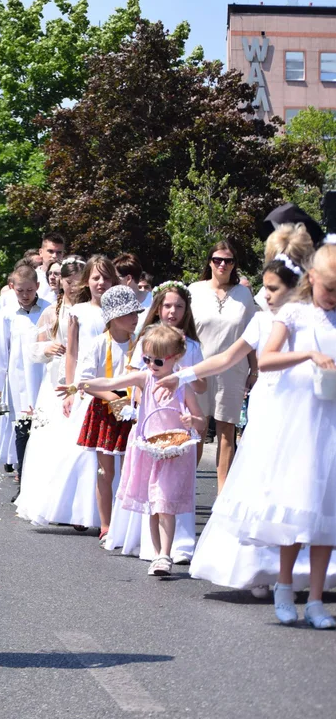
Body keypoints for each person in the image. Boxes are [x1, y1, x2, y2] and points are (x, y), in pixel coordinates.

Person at [224, 243, 336, 628]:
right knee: (298, 505)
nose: (334, 298)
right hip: (302, 423)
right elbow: (267, 360)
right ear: (313, 280)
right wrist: (307, 355)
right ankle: (284, 587)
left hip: (332, 420)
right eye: (330, 290)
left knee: (328, 514)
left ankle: (318, 601)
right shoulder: (294, 314)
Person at [60, 325, 203, 576]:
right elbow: (113, 382)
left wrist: (192, 421)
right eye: (146, 359)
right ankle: (157, 553)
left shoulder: (183, 386)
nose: (151, 365)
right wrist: (78, 385)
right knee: (152, 503)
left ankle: (165, 555)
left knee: (164, 503)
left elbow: (201, 419)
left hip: (174, 451)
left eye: (157, 360)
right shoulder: (145, 378)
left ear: (175, 358)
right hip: (148, 448)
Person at [103, 280, 207, 562]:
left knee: (173, 487)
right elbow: (136, 378)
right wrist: (138, 403)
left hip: (177, 425)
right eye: (167, 305)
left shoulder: (192, 346)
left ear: (186, 311)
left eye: (179, 306)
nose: (172, 311)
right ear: (158, 308)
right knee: (148, 487)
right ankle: (150, 545)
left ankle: (178, 546)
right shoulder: (146, 341)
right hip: (151, 422)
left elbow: (201, 386)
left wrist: (187, 377)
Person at [13, 256, 85, 518]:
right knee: (51, 441)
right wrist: (47, 347)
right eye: (69, 282)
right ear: (61, 283)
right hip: (55, 381)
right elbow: (33, 349)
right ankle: (49, 500)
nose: (73, 287)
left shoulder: (88, 308)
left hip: (83, 379)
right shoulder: (52, 312)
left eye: (78, 282)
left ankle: (76, 504)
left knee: (77, 444)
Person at [75, 285, 144, 541]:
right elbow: (85, 381)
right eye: (129, 314)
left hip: (134, 410)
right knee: (105, 472)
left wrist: (131, 404)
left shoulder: (140, 345)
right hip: (106, 410)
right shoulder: (97, 344)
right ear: (113, 317)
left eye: (136, 312)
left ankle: (128, 525)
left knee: (131, 470)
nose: (135, 318)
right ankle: (106, 524)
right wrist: (114, 400)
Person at [189, 241, 257, 494]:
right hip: (199, 367)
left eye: (228, 261)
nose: (222, 264)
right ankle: (186, 489)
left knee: (227, 430)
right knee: (197, 427)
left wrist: (255, 371)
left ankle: (222, 495)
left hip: (233, 370)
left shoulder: (244, 294)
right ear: (209, 262)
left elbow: (253, 337)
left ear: (234, 264)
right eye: (217, 259)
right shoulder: (194, 290)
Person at [0, 263, 49, 482]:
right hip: (19, 381)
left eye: (30, 290)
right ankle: (23, 477)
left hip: (46, 378)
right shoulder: (7, 315)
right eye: (20, 291)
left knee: (45, 428)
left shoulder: (49, 310)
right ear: (12, 287)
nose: (26, 295)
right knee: (22, 428)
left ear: (37, 286)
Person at [36, 233, 66, 303]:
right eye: (50, 251)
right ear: (41, 252)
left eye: (59, 252)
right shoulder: (32, 277)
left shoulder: (68, 278)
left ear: (63, 254)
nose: (54, 256)